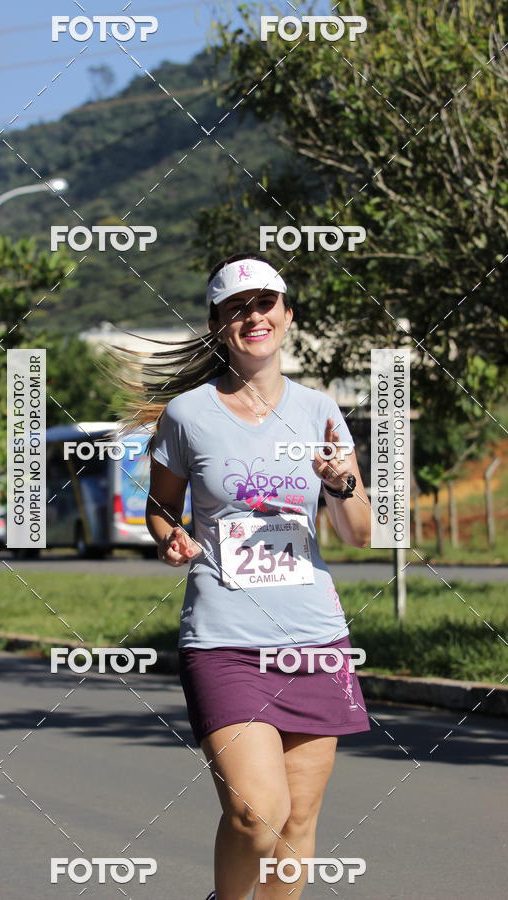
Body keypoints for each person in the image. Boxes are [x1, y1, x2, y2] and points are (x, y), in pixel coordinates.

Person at [120, 253, 371, 899]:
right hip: (224, 637)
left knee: (297, 820)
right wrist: (169, 536)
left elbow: (358, 532)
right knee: (256, 811)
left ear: (287, 315)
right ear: (217, 325)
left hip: (313, 635)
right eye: (236, 308)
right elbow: (160, 509)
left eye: (264, 304)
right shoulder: (187, 414)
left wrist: (339, 483)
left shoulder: (321, 411)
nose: (252, 316)